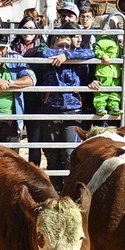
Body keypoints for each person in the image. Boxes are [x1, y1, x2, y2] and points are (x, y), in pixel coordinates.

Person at [39, 23, 95, 191]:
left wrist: (67, 55)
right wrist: (62, 54)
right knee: (51, 153)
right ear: (53, 45)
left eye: (67, 45)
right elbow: (43, 52)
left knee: (69, 152)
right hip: (51, 108)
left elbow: (91, 52)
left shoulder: (76, 58)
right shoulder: (49, 56)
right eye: (60, 45)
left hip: (73, 109)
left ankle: (68, 189)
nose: (63, 49)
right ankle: (55, 189)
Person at [11, 16, 46, 166]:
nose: (28, 32)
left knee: (34, 141)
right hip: (14, 99)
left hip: (35, 101)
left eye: (32, 28)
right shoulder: (10, 48)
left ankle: (34, 173)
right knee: (13, 139)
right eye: (25, 28)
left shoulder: (43, 49)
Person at [92, 17, 122, 116]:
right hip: (104, 70)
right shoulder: (102, 39)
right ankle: (100, 106)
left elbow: (120, 53)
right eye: (112, 25)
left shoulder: (117, 40)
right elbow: (96, 49)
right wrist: (102, 55)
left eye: (116, 26)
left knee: (115, 90)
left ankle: (114, 106)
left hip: (115, 71)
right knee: (102, 89)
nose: (115, 28)